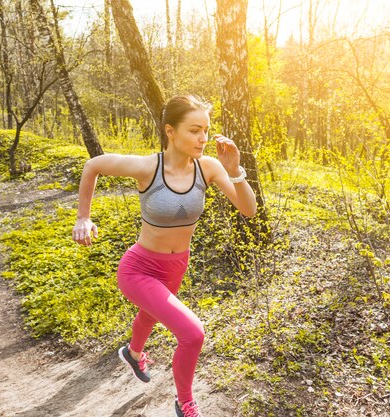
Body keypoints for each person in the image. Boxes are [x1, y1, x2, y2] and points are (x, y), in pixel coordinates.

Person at [72, 95, 257, 417]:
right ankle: (185, 402)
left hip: (176, 264)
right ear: (170, 131)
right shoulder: (148, 167)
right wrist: (83, 217)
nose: (202, 138)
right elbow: (94, 166)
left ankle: (133, 353)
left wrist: (236, 171)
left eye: (206, 131)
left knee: (152, 312)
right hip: (139, 267)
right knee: (192, 333)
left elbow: (249, 210)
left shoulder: (209, 168)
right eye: (194, 130)